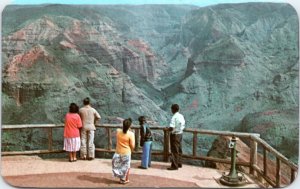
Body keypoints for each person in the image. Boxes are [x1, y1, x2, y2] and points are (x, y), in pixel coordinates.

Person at [112, 118, 135, 184]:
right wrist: (132, 151)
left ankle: (121, 179)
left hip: (118, 152)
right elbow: (132, 145)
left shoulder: (118, 131)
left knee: (120, 165)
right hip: (126, 152)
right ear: (130, 126)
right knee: (127, 166)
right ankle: (125, 179)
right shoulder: (131, 134)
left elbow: (122, 131)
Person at [167, 104, 185, 170]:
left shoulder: (174, 117)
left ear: (173, 110)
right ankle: (179, 163)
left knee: (174, 150)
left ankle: (174, 165)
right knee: (179, 149)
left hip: (175, 135)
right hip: (180, 134)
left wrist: (167, 129)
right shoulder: (181, 116)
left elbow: (172, 127)